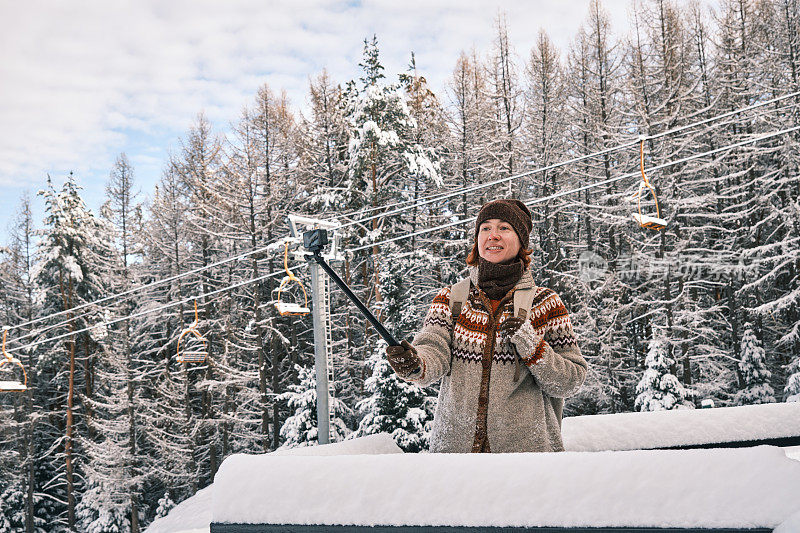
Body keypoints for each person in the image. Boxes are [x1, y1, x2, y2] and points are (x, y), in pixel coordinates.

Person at [386, 199, 587, 453]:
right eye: (485, 228)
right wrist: (416, 364)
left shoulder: (545, 303)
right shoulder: (451, 298)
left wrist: (531, 345)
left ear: (521, 241)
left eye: (504, 228)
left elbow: (571, 381)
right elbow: (433, 350)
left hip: (527, 460)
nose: (493, 235)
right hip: (454, 457)